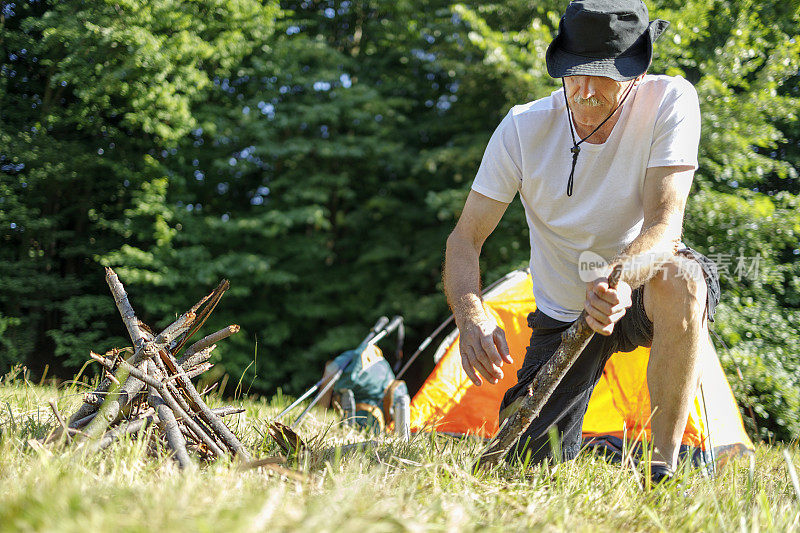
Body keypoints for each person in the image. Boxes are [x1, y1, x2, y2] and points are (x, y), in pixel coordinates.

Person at [443, 0, 720, 483]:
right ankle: (577, 446)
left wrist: (617, 283)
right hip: (563, 311)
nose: (586, 90)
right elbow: (464, 238)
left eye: (605, 76)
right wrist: (471, 316)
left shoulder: (671, 100)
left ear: (635, 72)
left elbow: (664, 224)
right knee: (525, 463)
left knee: (681, 277)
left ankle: (663, 469)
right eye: (574, 73)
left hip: (637, 289)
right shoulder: (522, 127)